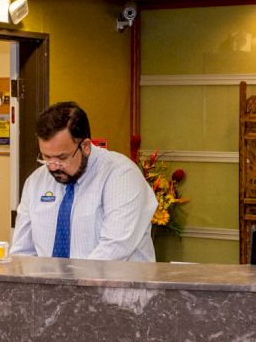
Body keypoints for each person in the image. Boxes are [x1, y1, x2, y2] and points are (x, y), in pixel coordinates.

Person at [9, 101, 157, 261]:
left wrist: (69, 285)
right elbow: (22, 252)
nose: (52, 167)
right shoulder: (36, 182)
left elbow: (114, 249)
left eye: (61, 157)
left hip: (111, 284)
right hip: (52, 284)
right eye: (46, 157)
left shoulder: (121, 175)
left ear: (85, 146)